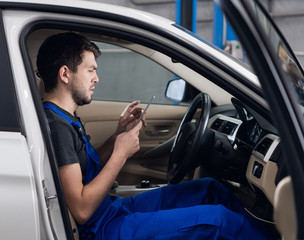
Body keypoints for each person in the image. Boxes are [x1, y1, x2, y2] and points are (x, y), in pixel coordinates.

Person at [37, 32, 276, 240]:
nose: (96, 78)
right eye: (90, 70)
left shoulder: (66, 119)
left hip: (111, 210)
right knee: (219, 221)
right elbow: (81, 209)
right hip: (103, 229)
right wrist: (121, 154)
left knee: (208, 189)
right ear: (65, 74)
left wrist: (117, 135)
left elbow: (83, 168)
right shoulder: (57, 127)